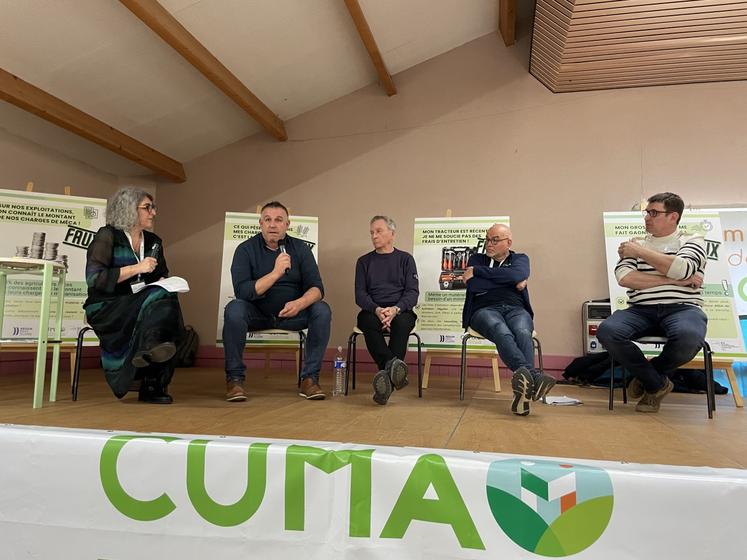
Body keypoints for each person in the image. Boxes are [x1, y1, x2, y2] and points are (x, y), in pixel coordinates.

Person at [597, 192, 707, 413]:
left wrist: (639, 252)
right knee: (608, 331)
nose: (647, 217)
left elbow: (682, 268)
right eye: (647, 212)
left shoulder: (692, 240)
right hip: (640, 310)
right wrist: (673, 281)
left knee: (689, 337)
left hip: (683, 309)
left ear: (673, 216)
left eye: (654, 213)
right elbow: (626, 278)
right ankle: (656, 384)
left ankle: (648, 376)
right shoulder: (635, 243)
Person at [222, 201, 331, 402]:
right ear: (260, 224)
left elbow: (317, 288)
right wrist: (275, 273)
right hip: (258, 314)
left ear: (287, 224)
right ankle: (235, 379)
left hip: (293, 314)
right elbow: (243, 291)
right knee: (234, 309)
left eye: (278, 220)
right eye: (268, 220)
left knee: (322, 310)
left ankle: (309, 379)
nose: (273, 225)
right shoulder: (245, 250)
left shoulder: (300, 249)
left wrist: (300, 303)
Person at [84, 187, 183, 404]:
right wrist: (136, 268)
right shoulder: (108, 235)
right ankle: (150, 372)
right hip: (107, 305)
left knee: (168, 301)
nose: (153, 213)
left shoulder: (154, 241)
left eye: (153, 207)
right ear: (128, 209)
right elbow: (94, 279)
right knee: (160, 306)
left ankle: (152, 368)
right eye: (147, 207)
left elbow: (160, 274)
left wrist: (167, 282)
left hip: (141, 303)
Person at [462, 224, 555, 416]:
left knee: (522, 331)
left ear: (508, 242)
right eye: (487, 239)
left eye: (495, 240)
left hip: (516, 308)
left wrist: (482, 274)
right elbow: (473, 285)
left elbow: (517, 273)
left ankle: (523, 393)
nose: (489, 244)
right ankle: (534, 377)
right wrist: (510, 280)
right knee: (500, 329)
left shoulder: (520, 259)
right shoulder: (476, 258)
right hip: (483, 310)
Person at [355, 216, 419, 405]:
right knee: (366, 321)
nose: (374, 236)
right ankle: (393, 366)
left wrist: (395, 309)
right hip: (373, 310)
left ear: (392, 234)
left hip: (400, 310)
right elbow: (360, 295)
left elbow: (412, 293)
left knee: (402, 323)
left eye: (379, 231)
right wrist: (377, 310)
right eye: (371, 232)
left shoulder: (406, 259)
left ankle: (386, 383)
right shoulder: (363, 262)